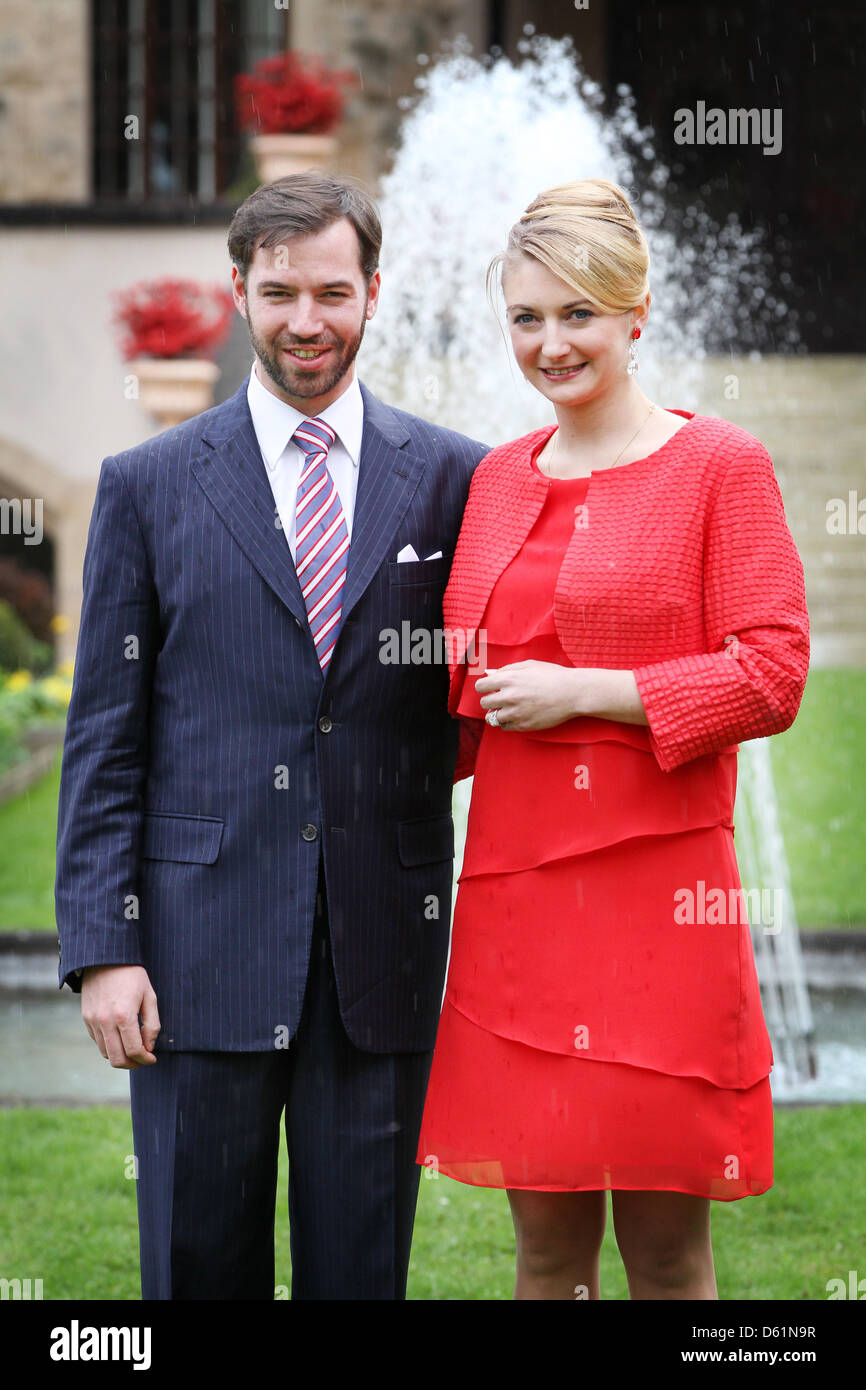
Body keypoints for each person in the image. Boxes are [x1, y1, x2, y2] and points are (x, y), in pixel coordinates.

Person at [54, 171, 488, 1300]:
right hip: (194, 952)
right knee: (198, 1269)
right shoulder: (146, 485)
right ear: (237, 291)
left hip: (379, 948)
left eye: (332, 293)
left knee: (360, 1276)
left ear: (373, 294)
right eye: (282, 291)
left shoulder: (455, 478)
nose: (308, 320)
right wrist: (105, 946)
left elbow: (479, 700)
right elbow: (105, 732)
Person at [416, 178, 810, 1300]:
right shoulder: (493, 479)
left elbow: (772, 673)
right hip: (515, 902)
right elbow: (453, 702)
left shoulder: (717, 465)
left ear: (636, 312)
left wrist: (588, 690)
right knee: (543, 1253)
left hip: (661, 899)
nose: (550, 343)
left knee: (667, 1254)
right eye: (526, 318)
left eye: (577, 312)